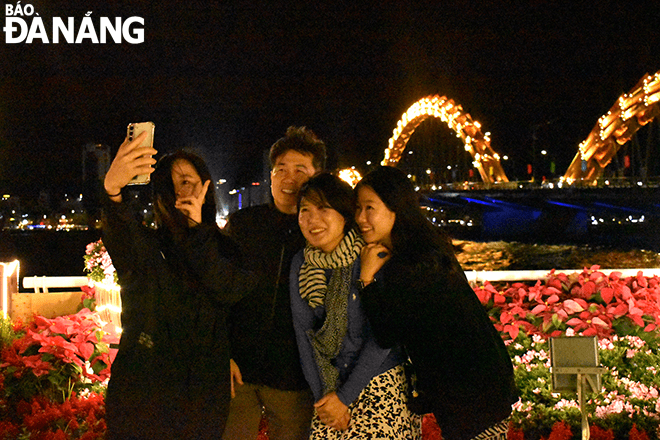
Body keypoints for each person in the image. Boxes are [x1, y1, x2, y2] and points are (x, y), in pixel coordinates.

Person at [102, 132, 257, 439]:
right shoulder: (148, 247)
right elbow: (121, 234)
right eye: (170, 184)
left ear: (206, 186)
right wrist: (112, 189)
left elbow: (227, 290)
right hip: (143, 392)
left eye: (186, 180)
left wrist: (198, 232)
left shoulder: (226, 248)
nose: (178, 191)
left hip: (202, 395)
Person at [355, 166, 519, 440]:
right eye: (357, 208)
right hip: (482, 385)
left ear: (396, 207)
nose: (361, 218)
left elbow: (387, 334)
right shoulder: (425, 248)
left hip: (470, 393)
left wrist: (366, 280)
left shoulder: (409, 264)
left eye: (369, 208)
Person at [290, 173, 421, 439]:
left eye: (323, 208)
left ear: (344, 215)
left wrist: (344, 398)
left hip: (380, 383)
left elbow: (382, 338)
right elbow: (305, 336)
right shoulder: (301, 263)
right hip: (329, 388)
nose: (312, 219)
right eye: (305, 210)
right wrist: (325, 399)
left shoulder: (372, 255)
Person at [222, 127, 326, 440]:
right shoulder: (243, 225)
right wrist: (221, 353)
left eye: (300, 170)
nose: (288, 178)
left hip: (293, 379)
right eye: (281, 170)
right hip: (239, 372)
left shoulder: (323, 233)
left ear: (317, 176)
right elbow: (217, 290)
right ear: (271, 176)